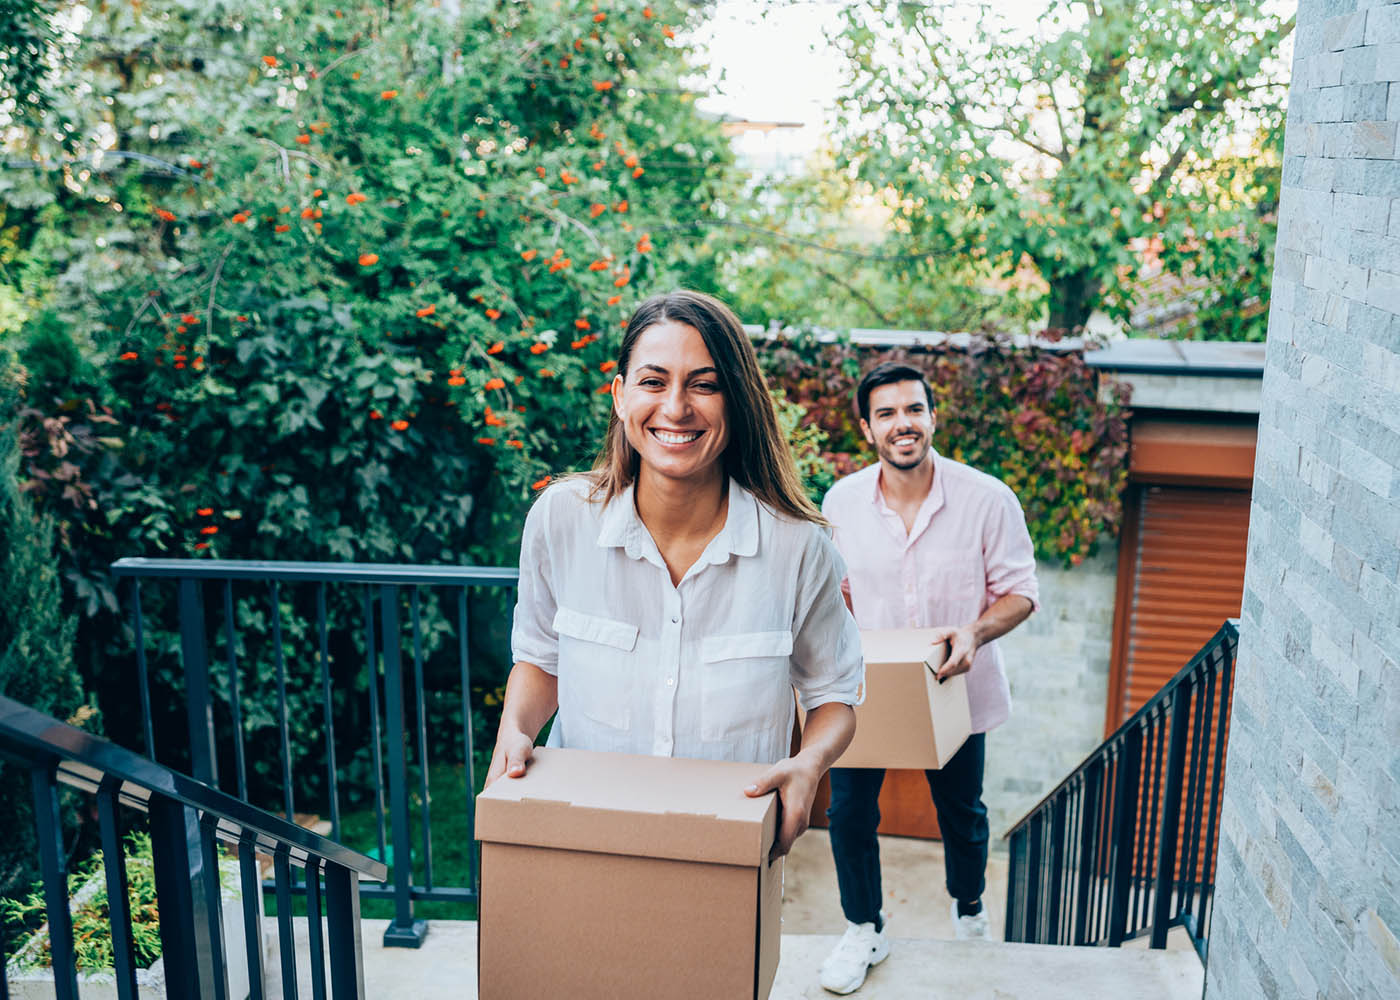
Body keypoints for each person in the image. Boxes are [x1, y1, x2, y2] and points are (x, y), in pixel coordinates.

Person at [485, 289, 863, 859]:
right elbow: (540, 658)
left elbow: (833, 692)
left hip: (725, 849)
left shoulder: (800, 548)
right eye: (654, 381)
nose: (677, 407)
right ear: (620, 395)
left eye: (704, 385)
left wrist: (808, 763)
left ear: (735, 401)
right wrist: (514, 728)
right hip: (578, 837)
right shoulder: (559, 520)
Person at [817, 361, 1039, 995]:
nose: (902, 423)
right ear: (867, 428)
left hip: (957, 690)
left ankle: (969, 910)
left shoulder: (987, 498)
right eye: (886, 414)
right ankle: (864, 928)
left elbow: (1021, 592)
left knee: (962, 814)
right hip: (870, 691)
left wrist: (973, 632)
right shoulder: (841, 502)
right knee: (850, 813)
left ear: (932, 417)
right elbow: (838, 595)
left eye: (913, 409)